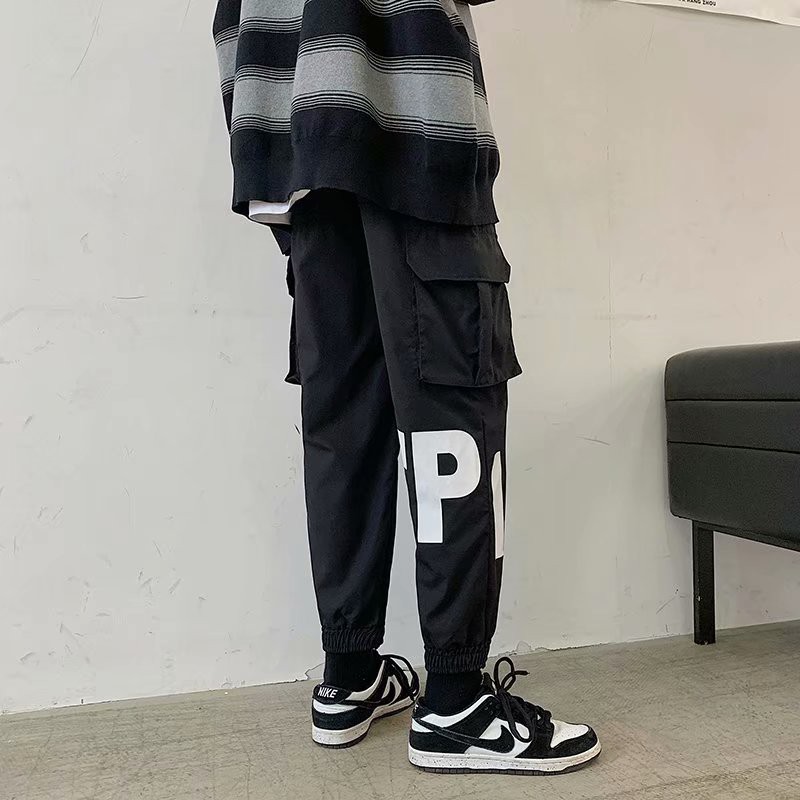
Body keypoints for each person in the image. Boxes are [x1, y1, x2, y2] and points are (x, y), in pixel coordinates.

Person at [213, 0, 600, 775]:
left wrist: (264, 142)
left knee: (342, 419)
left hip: (296, 135)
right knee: (454, 407)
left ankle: (348, 674)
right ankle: (456, 700)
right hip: (408, 118)